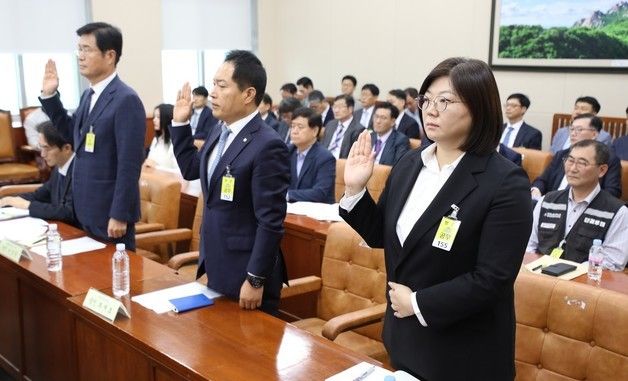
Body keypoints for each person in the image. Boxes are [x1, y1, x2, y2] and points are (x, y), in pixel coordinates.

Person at [339, 57, 532, 380]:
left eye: (445, 101)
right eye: (427, 100)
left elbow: (493, 279)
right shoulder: (410, 163)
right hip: (405, 339)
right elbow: (381, 235)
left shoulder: (505, 181)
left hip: (463, 352)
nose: (430, 109)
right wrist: (356, 190)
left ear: (479, 107)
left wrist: (418, 302)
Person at [170, 50, 290, 314]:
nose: (212, 92)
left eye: (221, 86)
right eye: (213, 84)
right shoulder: (220, 129)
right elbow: (192, 169)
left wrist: (255, 278)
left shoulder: (268, 145)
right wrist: (180, 125)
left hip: (246, 273)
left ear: (248, 94)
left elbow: (270, 221)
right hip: (217, 264)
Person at [39, 22, 145, 250]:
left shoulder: (126, 99)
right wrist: (50, 97)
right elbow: (72, 135)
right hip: (83, 208)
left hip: (108, 214)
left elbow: (129, 164)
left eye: (87, 49)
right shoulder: (89, 95)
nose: (80, 56)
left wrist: (120, 214)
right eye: (79, 49)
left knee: (111, 281)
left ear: (110, 55)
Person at [527, 140, 627, 270]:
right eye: (570, 160)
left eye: (582, 163)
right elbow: (529, 246)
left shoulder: (617, 212)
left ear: (601, 170)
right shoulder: (547, 201)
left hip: (582, 285)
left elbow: (613, 262)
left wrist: (569, 273)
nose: (573, 168)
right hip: (539, 277)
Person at [0, 121, 76, 224]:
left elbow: (68, 212)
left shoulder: (80, 172)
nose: (42, 154)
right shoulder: (59, 167)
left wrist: (27, 205)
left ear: (67, 148)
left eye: (47, 148)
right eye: (41, 147)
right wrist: (7, 200)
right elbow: (39, 195)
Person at [531, 114, 622, 198]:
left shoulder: (609, 158)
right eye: (572, 129)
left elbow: (612, 192)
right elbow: (542, 180)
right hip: (552, 204)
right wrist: (536, 190)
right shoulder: (561, 154)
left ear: (594, 134)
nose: (573, 133)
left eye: (579, 129)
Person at [286, 107, 335, 203]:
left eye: (300, 127)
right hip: (289, 210)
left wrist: (286, 195)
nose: (294, 131)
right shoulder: (287, 152)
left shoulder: (325, 158)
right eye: (293, 126)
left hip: (317, 213)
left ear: (315, 131)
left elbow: (320, 193)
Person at [321, 95, 364, 159]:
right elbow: (323, 145)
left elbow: (354, 155)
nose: (336, 110)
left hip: (342, 163)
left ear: (350, 109)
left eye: (340, 107)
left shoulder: (359, 129)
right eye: (334, 106)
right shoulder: (330, 124)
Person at [370, 102, 409, 166]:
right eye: (376, 116)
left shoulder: (400, 140)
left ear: (393, 122)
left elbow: (398, 166)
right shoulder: (369, 136)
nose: (378, 121)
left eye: (383, 118)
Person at [143, 104, 178, 171]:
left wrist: (156, 167)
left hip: (170, 180)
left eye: (158, 117)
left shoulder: (175, 142)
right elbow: (150, 161)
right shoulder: (156, 139)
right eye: (154, 117)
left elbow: (179, 172)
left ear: (167, 118)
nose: (154, 120)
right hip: (153, 177)